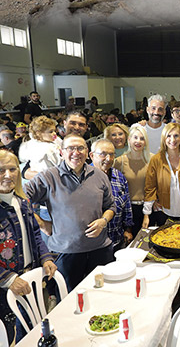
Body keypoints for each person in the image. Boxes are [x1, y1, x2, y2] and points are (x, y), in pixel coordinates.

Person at [25, 133, 114, 291]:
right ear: (61, 152)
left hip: (100, 250)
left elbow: (111, 206)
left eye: (80, 148)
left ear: (87, 152)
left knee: (103, 295)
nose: (76, 152)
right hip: (66, 253)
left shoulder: (99, 176)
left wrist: (104, 220)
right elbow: (20, 197)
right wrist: (40, 222)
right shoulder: (48, 177)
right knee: (68, 301)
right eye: (70, 148)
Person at [0, 149, 58, 336]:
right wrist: (8, 279)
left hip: (29, 279)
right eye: (1, 170)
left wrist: (45, 258)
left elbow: (35, 234)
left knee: (31, 329)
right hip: (5, 287)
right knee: (10, 335)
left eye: (12, 169)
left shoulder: (23, 202)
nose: (8, 175)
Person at [142, 122, 180, 228]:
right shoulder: (156, 160)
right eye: (168, 136)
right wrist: (146, 214)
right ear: (164, 138)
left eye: (176, 136)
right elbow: (150, 187)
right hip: (164, 212)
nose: (172, 140)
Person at [90, 138, 133, 252]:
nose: (108, 159)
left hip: (116, 239)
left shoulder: (118, 176)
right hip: (93, 244)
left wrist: (128, 229)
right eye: (103, 154)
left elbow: (126, 204)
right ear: (92, 155)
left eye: (111, 154)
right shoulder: (83, 178)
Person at [115, 124, 150, 236]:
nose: (138, 141)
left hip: (148, 209)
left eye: (142, 138)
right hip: (128, 210)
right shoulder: (119, 162)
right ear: (129, 140)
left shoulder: (152, 159)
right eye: (135, 137)